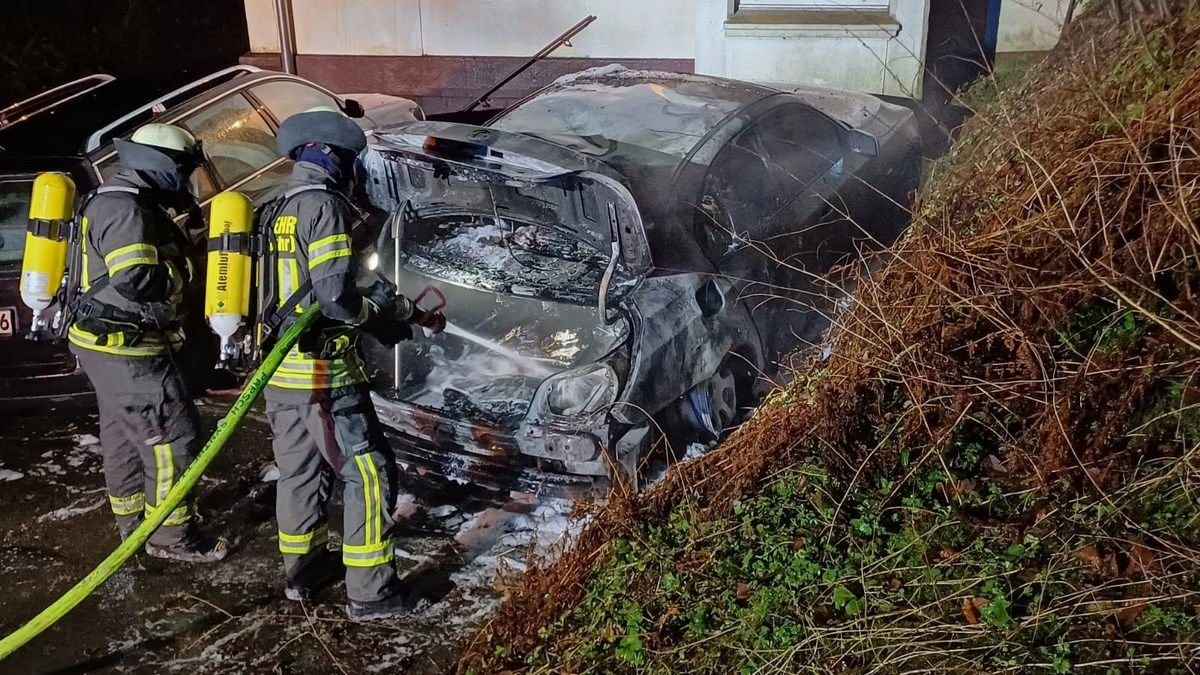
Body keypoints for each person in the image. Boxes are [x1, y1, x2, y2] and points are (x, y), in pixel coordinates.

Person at [261, 107, 444, 620]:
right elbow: (338, 298)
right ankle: (373, 593)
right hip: (323, 373)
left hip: (279, 373)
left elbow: (350, 282)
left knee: (299, 469)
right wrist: (380, 322)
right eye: (351, 160)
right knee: (368, 471)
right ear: (335, 157)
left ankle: (304, 572)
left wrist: (409, 312)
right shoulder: (324, 207)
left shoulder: (277, 205)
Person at [68, 123, 228, 562]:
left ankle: (135, 525)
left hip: (106, 343)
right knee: (171, 439)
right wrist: (192, 273)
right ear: (163, 167)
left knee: (123, 436)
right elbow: (137, 279)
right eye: (183, 169)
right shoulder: (126, 210)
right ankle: (171, 538)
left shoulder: (114, 199)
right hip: (130, 348)